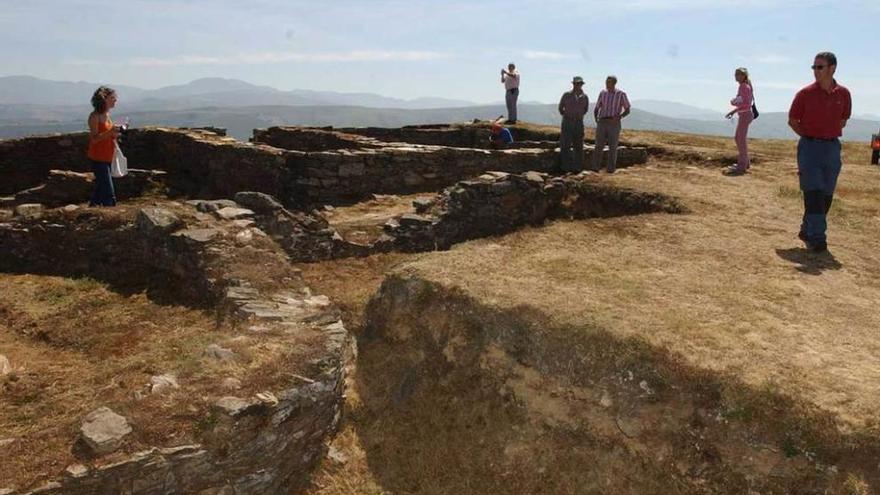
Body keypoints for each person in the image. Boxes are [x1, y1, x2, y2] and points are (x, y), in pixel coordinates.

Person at [788, 51, 852, 253]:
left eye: (820, 67)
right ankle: (818, 238)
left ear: (832, 68)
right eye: (814, 67)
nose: (815, 71)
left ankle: (807, 229)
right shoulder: (805, 94)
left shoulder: (844, 94)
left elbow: (843, 119)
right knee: (813, 191)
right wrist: (809, 137)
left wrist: (826, 135)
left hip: (832, 148)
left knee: (826, 194)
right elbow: (793, 121)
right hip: (810, 148)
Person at [87, 86, 119, 207]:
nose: (115, 100)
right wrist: (110, 132)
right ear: (104, 99)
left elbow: (107, 135)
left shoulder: (107, 115)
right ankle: (111, 214)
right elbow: (94, 139)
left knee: (100, 188)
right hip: (98, 158)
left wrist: (115, 134)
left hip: (108, 156)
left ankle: (91, 209)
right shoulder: (95, 116)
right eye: (112, 98)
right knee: (108, 191)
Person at [592, 75, 631, 173]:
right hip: (602, 121)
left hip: (614, 123)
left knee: (613, 146)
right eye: (606, 81)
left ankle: (610, 169)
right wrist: (596, 118)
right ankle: (595, 167)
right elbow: (597, 107)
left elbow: (627, 109)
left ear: (614, 83)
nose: (606, 84)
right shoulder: (602, 93)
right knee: (598, 145)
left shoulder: (621, 94)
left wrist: (620, 117)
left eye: (609, 82)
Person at [724, 67, 755, 175]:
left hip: (745, 115)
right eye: (735, 74)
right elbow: (746, 103)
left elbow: (745, 101)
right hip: (745, 114)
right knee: (740, 138)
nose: (736, 76)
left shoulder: (743, 86)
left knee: (740, 139)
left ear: (743, 76)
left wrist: (733, 102)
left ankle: (742, 166)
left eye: (738, 74)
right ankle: (745, 163)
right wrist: (733, 111)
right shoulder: (745, 86)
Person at [558, 76, 590, 172]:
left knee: (578, 145)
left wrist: (578, 117)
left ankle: (577, 167)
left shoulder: (585, 97)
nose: (578, 85)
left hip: (579, 122)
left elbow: (585, 109)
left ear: (582, 85)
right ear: (573, 84)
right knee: (565, 145)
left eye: (579, 84)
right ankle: (565, 167)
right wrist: (567, 116)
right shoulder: (566, 95)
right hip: (567, 122)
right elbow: (560, 107)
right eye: (576, 84)